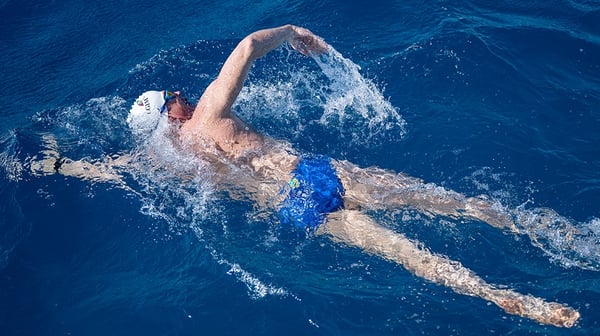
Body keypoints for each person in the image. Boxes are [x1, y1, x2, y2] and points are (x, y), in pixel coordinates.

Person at [30, 25, 580, 327]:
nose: (183, 96)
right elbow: (247, 46)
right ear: (172, 114)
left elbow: (96, 170)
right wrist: (293, 32)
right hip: (315, 173)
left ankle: (511, 302)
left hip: (295, 210)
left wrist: (42, 161)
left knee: (414, 259)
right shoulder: (209, 117)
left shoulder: (161, 161)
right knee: (452, 204)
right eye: (174, 98)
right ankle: (556, 236)